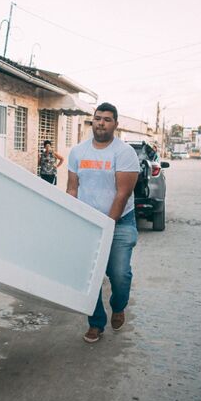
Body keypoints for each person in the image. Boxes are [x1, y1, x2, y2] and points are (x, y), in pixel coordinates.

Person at [67, 102, 139, 343]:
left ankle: (118, 306)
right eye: (98, 118)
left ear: (115, 124)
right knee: (91, 276)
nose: (101, 123)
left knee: (119, 274)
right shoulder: (78, 152)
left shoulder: (124, 153)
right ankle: (96, 323)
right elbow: (72, 188)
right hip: (88, 221)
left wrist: (107, 226)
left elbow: (123, 193)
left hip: (120, 222)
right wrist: (71, 218)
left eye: (107, 119)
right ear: (92, 120)